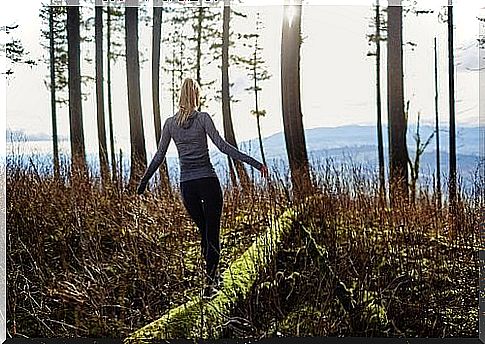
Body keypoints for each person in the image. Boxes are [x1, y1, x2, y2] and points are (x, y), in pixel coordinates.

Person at [137, 77, 268, 299]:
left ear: (180, 96)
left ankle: (212, 278)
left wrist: (143, 182)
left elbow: (159, 155)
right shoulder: (203, 118)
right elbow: (223, 146)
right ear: (196, 95)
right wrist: (254, 163)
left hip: (188, 186)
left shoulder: (170, 123)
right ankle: (210, 285)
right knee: (212, 233)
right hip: (208, 181)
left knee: (204, 232)